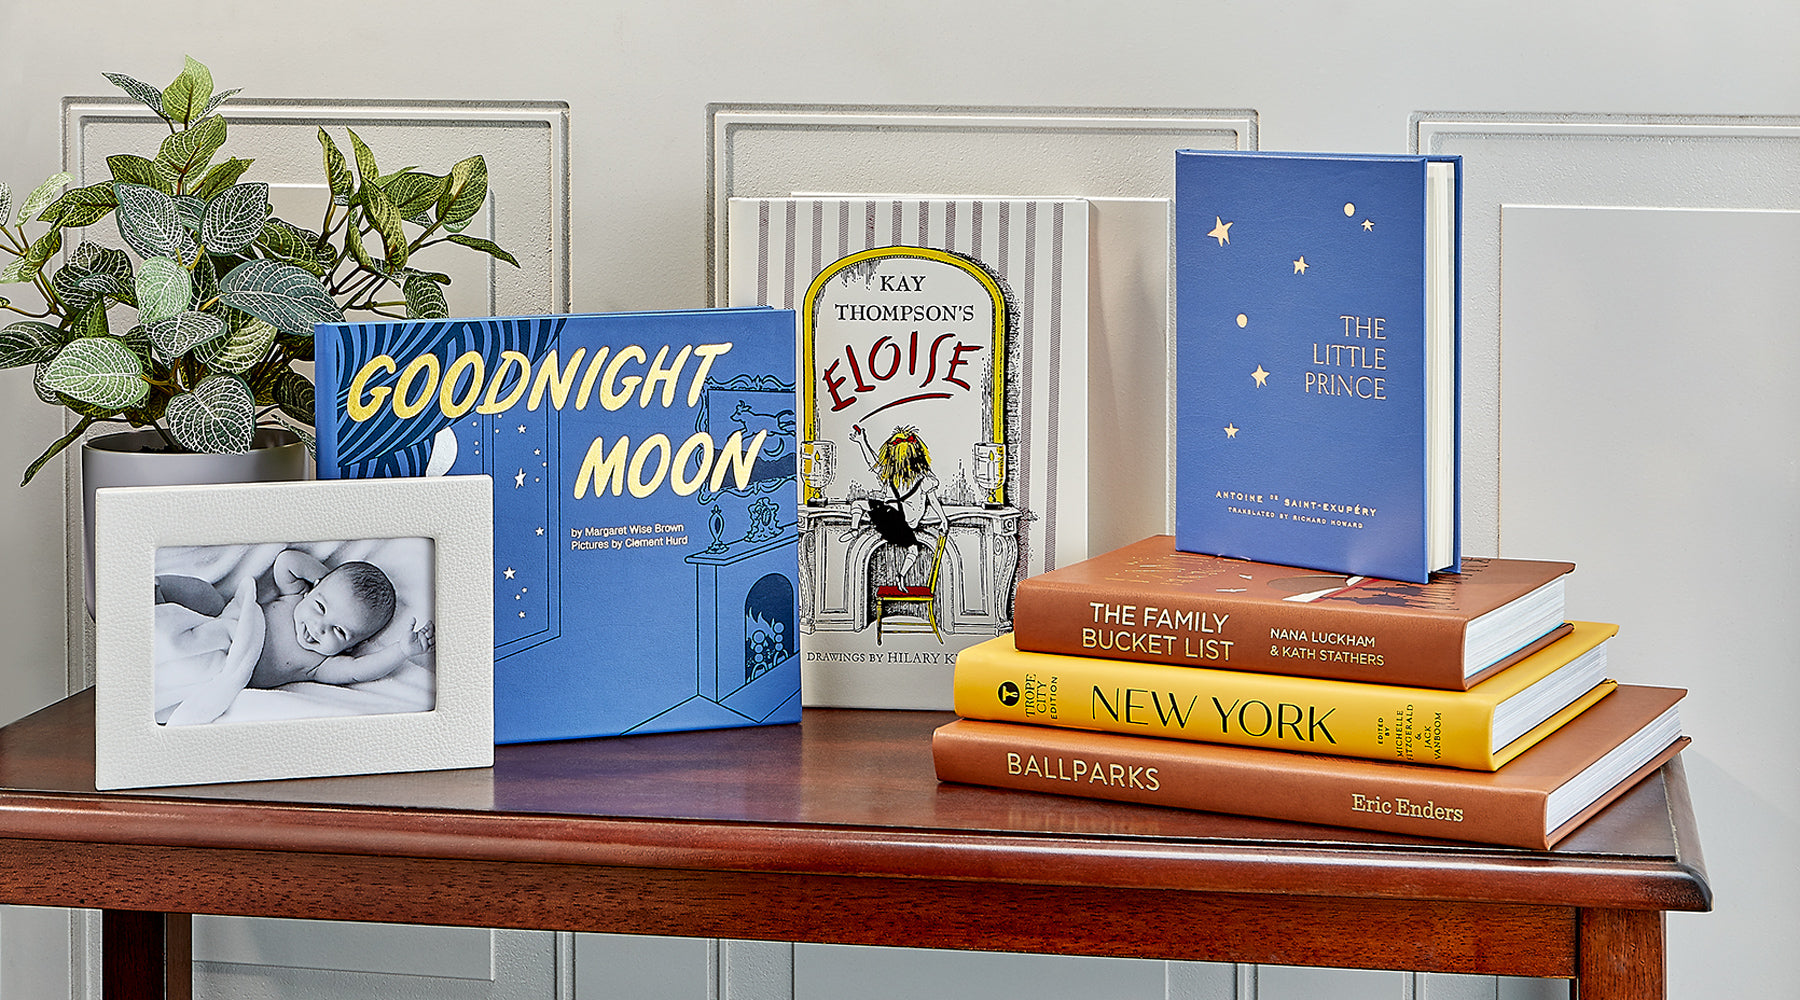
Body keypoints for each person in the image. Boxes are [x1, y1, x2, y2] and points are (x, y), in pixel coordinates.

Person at [153, 550, 425, 725]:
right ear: (312, 591)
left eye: (339, 631)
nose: (319, 628)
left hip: (227, 666)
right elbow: (287, 561)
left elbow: (358, 671)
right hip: (226, 622)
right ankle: (154, 593)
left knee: (188, 665)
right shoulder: (295, 597)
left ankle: (161, 630)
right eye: (320, 607)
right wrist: (325, 579)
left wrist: (400, 651)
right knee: (205, 595)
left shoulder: (319, 664)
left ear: (351, 646)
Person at [838, 424, 950, 580]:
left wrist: (862, 442)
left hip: (885, 519)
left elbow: (872, 463)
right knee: (913, 550)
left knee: (857, 504)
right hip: (905, 525)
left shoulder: (889, 474)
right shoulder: (924, 479)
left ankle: (854, 529)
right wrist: (943, 519)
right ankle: (901, 575)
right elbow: (933, 500)